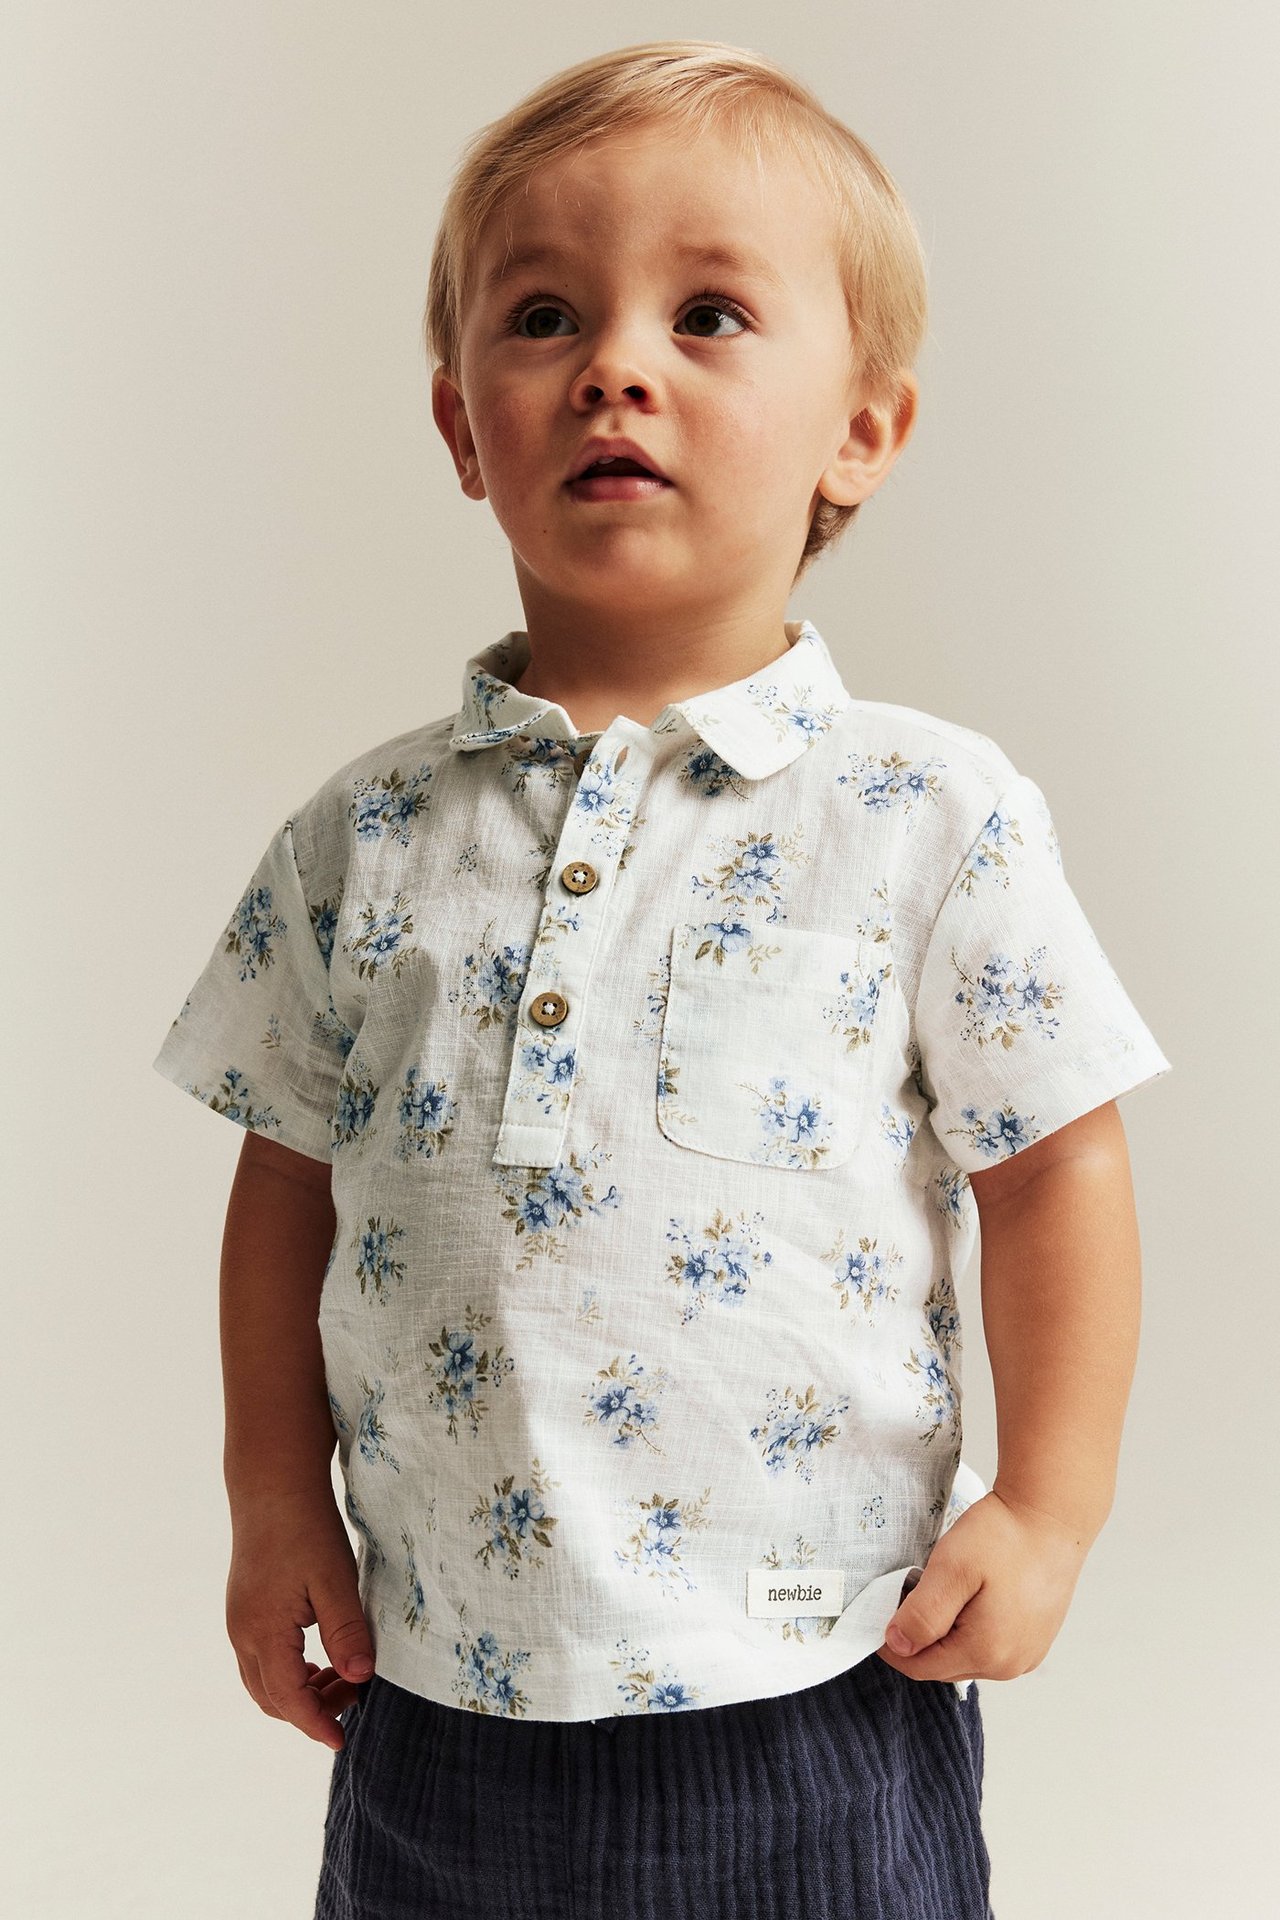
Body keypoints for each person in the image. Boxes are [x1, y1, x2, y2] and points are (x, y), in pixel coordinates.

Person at [151, 38, 1172, 1920]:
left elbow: (1058, 1167)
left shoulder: (926, 813)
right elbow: (282, 1186)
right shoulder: (359, 839)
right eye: (543, 315)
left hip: (816, 1671)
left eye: (709, 315)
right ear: (463, 422)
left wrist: (1051, 1506)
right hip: (440, 1677)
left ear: (861, 429)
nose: (616, 362)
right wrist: (273, 1500)